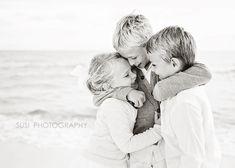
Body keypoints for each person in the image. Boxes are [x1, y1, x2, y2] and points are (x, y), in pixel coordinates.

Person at [94, 14, 212, 168]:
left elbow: (204, 73)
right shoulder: (128, 70)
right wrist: (126, 93)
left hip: (164, 144)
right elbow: (99, 96)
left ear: (147, 43)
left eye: (134, 56)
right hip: (139, 146)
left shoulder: (164, 64)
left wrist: (162, 88)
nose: (131, 63)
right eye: (127, 58)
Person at [147, 26, 221, 168]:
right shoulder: (174, 92)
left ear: (174, 63)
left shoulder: (185, 102)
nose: (153, 71)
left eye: (155, 65)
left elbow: (193, 158)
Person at [83, 52, 162, 168]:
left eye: (131, 70)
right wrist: (158, 130)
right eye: (126, 75)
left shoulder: (121, 99)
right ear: (107, 87)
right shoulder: (113, 106)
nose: (134, 75)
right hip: (102, 163)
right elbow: (127, 145)